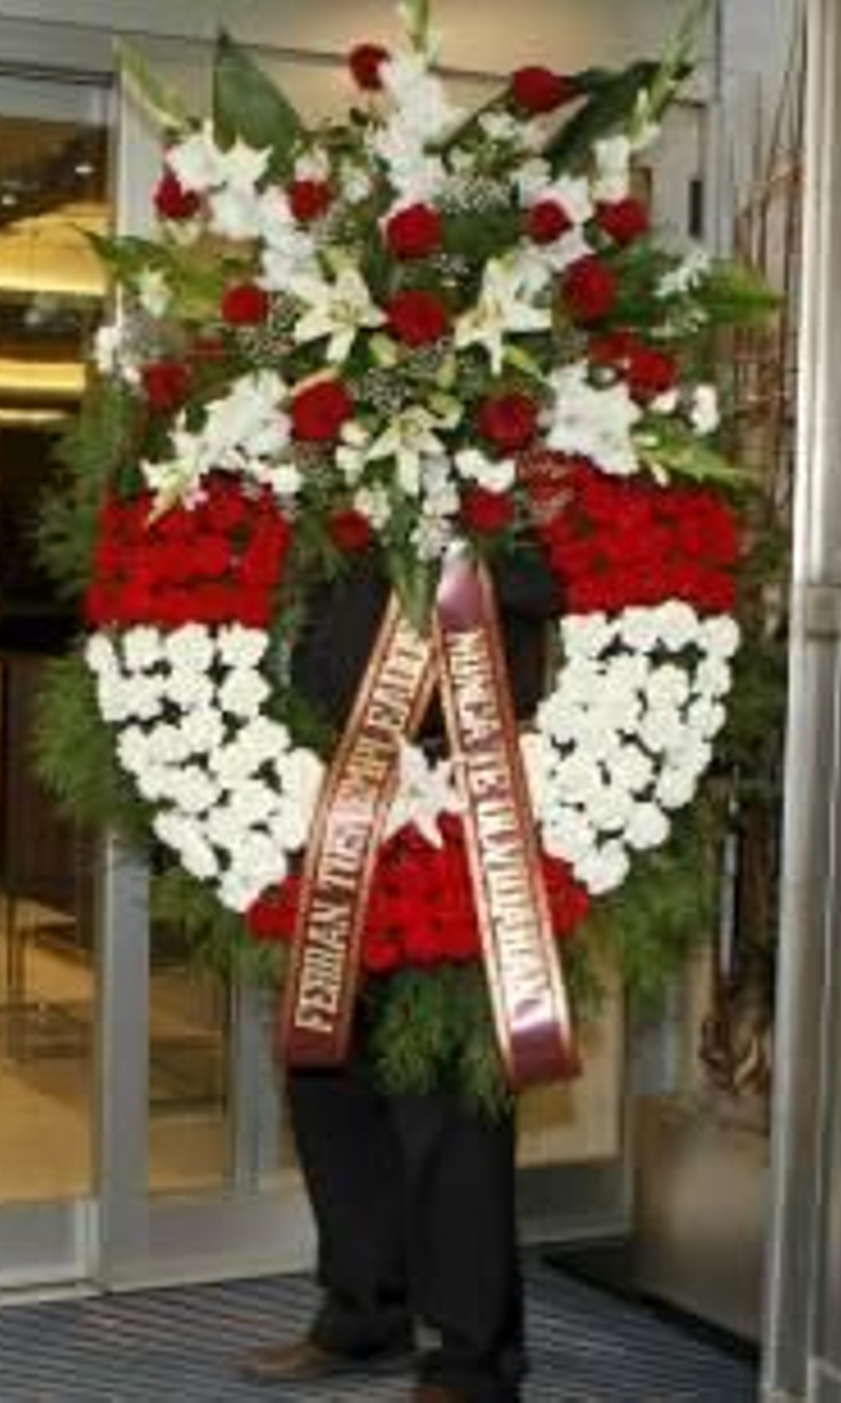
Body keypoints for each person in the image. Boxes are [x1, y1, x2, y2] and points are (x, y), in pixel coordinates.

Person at [242, 555, 561, 1403]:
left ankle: (472, 1360)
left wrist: (448, 546)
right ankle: (365, 1311)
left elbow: (553, 577)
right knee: (329, 1075)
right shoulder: (330, 486)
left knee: (450, 1105)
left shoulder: (504, 483)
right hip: (334, 796)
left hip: (459, 798)